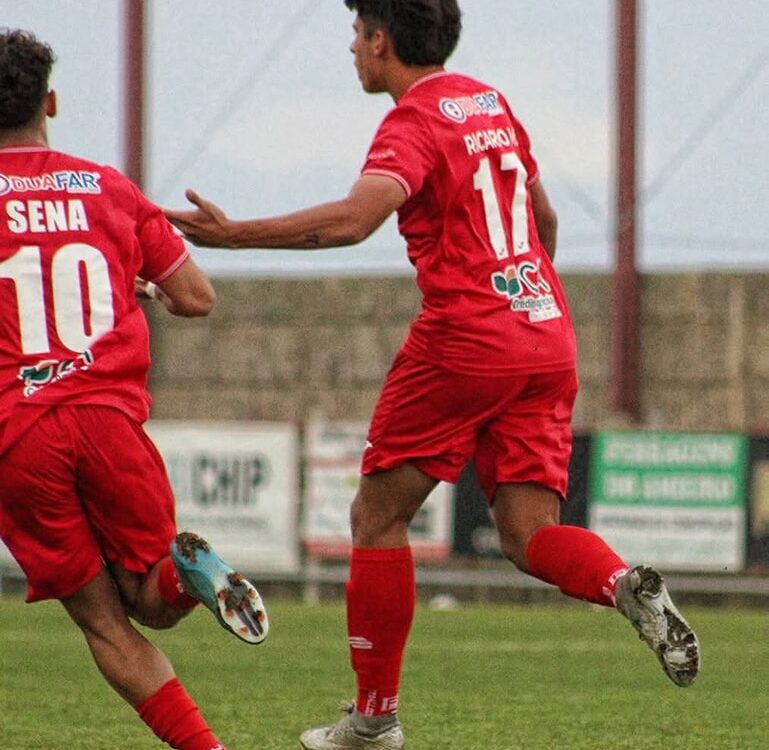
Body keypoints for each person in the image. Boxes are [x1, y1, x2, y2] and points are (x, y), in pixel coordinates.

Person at [166, 2, 700, 748]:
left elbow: (354, 221)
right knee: (527, 534)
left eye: (356, 36)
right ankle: (621, 586)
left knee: (377, 518)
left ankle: (374, 721)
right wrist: (522, 299)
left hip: (466, 336)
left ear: (380, 41)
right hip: (545, 334)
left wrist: (231, 235)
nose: (352, 49)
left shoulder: (412, 122)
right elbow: (541, 221)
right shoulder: (487, 102)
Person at [0, 29, 268, 750]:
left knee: (105, 623)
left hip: (18, 434)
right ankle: (187, 573)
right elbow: (196, 297)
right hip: (109, 418)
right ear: (49, 101)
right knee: (154, 599)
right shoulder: (105, 186)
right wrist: (136, 282)